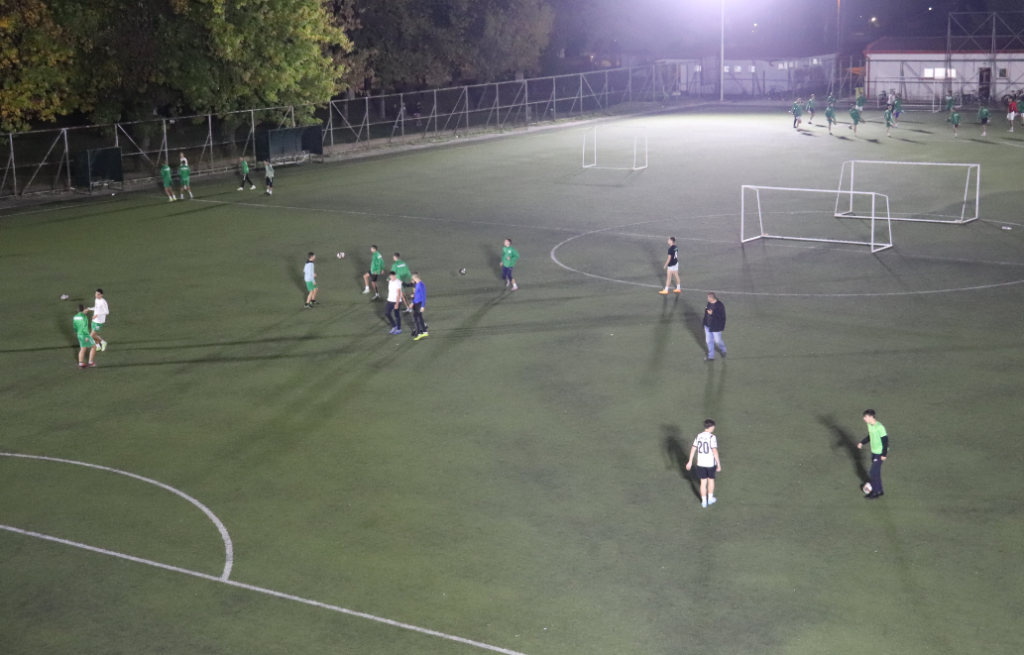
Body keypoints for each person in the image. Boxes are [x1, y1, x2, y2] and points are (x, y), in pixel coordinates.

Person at [685, 419, 721, 508]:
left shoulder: (699, 436)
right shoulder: (712, 437)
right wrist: (718, 463)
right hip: (710, 463)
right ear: (711, 427)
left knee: (703, 482)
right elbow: (714, 451)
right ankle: (710, 499)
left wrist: (690, 461)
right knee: (711, 481)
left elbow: (693, 448)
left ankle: (704, 502)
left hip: (700, 463)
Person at [857, 409, 889, 499]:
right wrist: (862, 443)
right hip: (874, 452)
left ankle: (874, 493)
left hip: (880, 453)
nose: (864, 418)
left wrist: (884, 454)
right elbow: (870, 436)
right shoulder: (869, 425)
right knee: (876, 473)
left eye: (865, 417)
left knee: (873, 472)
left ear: (871, 417)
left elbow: (885, 441)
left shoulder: (880, 427)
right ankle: (880, 490)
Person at [702, 292, 727, 361]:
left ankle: (723, 350)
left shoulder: (720, 305)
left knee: (718, 340)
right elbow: (706, 314)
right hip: (707, 326)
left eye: (708, 297)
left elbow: (722, 317)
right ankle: (711, 356)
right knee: (708, 341)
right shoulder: (709, 304)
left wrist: (712, 314)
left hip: (716, 327)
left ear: (711, 298)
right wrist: (704, 323)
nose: (707, 299)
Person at [73, 304, 97, 369]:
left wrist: (78, 332)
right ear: (84, 309)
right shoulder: (84, 317)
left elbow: (75, 326)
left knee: (82, 349)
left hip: (79, 334)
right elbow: (85, 326)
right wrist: (86, 336)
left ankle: (81, 364)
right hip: (84, 334)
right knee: (94, 347)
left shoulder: (75, 317)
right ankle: (91, 362)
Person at [411, 272, 428, 340]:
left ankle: (418, 333)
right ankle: (424, 332)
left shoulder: (421, 284)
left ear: (414, 278)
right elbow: (416, 295)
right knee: (419, 317)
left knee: (416, 317)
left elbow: (424, 296)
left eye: (412, 278)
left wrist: (422, 306)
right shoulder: (417, 284)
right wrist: (412, 302)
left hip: (419, 303)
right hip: (416, 303)